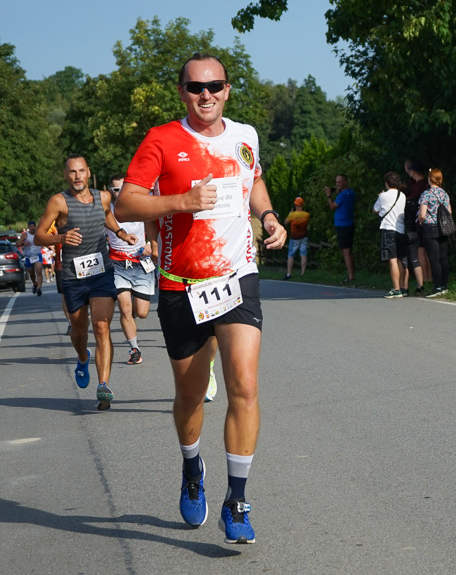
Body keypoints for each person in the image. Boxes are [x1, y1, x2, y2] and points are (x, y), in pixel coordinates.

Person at [114, 53, 287, 544]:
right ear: (182, 91)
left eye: (214, 86)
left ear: (228, 89)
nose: (205, 95)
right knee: (190, 396)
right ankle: (192, 468)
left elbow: (253, 181)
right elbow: (126, 202)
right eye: (195, 87)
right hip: (180, 285)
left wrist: (269, 216)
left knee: (244, 387)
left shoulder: (246, 136)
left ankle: (237, 500)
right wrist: (180, 202)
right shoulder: (162, 139)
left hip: (236, 278)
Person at [34, 154, 136, 410]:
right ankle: (82, 357)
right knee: (80, 331)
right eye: (72, 172)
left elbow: (106, 216)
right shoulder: (59, 202)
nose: (77, 176)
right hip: (73, 277)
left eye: (81, 171)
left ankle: (103, 385)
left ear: (88, 172)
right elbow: (38, 237)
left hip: (101, 272)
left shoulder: (103, 197)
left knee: (102, 326)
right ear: (66, 174)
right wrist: (60, 239)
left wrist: (121, 233)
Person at [106, 173, 158, 367]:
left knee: (142, 312)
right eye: (116, 189)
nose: (119, 193)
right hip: (118, 265)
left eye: (122, 189)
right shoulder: (108, 213)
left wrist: (150, 246)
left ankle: (133, 316)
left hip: (141, 264)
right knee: (125, 308)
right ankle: (134, 349)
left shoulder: (138, 209)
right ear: (111, 191)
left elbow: (153, 229)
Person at [418, 168, 452, 297]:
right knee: (443, 257)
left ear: (429, 178)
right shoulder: (445, 194)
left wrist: (422, 221)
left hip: (430, 227)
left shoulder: (426, 194)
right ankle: (444, 285)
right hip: (443, 227)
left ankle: (437, 287)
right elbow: (449, 212)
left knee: (434, 259)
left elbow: (422, 214)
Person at [373, 172, 407, 298]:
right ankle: (403, 287)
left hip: (389, 229)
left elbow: (375, 210)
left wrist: (380, 196)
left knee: (392, 260)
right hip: (401, 229)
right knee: (400, 259)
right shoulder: (402, 195)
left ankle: (396, 288)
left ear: (387, 183)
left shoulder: (383, 196)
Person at [403, 159, 430, 294]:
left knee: (420, 250)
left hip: (419, 220)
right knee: (424, 249)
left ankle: (426, 278)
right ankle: (428, 278)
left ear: (413, 171)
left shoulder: (419, 185)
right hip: (426, 220)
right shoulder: (425, 184)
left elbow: (411, 199)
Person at [323, 174, 355, 281]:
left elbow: (332, 206)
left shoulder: (343, 195)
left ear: (345, 182)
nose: (337, 185)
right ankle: (351, 274)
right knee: (348, 250)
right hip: (348, 223)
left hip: (343, 224)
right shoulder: (350, 193)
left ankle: (351, 276)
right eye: (336, 183)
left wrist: (329, 196)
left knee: (345, 251)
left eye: (340, 182)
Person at [283, 196, 310, 280]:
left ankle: (289, 273)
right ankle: (303, 273)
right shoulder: (307, 215)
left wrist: (290, 213)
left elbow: (286, 222)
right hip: (304, 236)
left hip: (294, 237)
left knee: (291, 255)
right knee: (303, 254)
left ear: (295, 205)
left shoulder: (292, 215)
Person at [18, 221, 44, 295]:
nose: (32, 228)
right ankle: (35, 283)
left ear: (35, 227)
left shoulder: (38, 234)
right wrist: (23, 243)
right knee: (31, 272)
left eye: (33, 226)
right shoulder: (25, 235)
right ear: (28, 227)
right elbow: (17, 244)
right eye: (30, 226)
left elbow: (44, 240)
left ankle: (39, 288)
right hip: (28, 256)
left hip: (37, 255)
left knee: (38, 271)